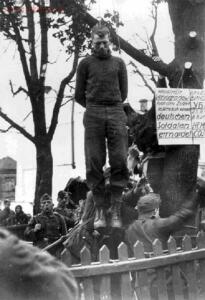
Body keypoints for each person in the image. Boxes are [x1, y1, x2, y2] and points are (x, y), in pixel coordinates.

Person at [75, 22, 129, 230]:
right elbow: (79, 94)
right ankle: (99, 209)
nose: (102, 46)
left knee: (119, 159)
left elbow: (123, 93)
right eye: (98, 42)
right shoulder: (85, 64)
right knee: (94, 160)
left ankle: (115, 207)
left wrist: (111, 106)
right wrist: (94, 106)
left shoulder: (119, 63)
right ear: (92, 42)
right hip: (94, 111)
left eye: (105, 42)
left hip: (116, 110)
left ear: (110, 42)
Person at [0, 228, 78, 300]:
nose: (49, 211)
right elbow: (27, 234)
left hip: (57, 247)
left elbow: (64, 232)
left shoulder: (58, 217)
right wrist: (35, 230)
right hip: (42, 248)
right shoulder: (35, 219)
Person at [125, 192, 196, 253]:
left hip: (138, 267)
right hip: (160, 267)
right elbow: (180, 218)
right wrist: (196, 197)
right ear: (156, 210)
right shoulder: (157, 224)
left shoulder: (129, 228)